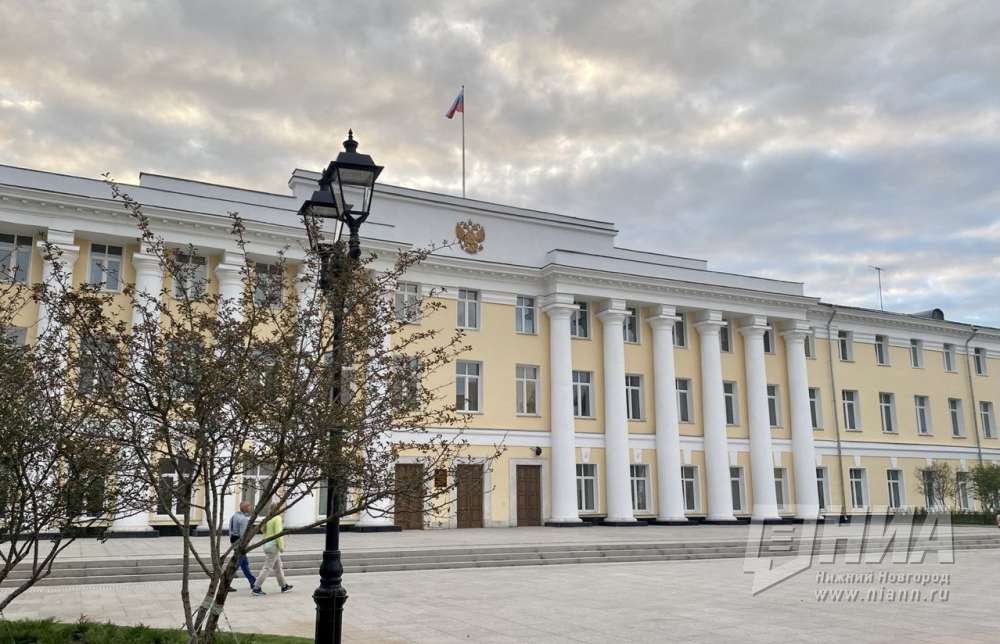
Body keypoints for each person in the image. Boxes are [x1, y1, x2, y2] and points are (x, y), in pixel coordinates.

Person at [252, 505, 293, 596]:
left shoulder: (268, 518)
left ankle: (284, 585)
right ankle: (256, 587)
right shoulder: (277, 518)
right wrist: (281, 547)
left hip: (267, 545)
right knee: (267, 567)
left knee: (278, 567)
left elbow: (264, 532)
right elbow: (278, 533)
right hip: (273, 546)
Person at [229, 501, 256, 591]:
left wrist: (233, 543)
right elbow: (243, 535)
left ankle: (253, 581)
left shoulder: (234, 516)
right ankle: (226, 582)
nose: (250, 508)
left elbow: (230, 530)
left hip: (234, 541)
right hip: (240, 544)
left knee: (244, 564)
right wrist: (244, 546)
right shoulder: (244, 519)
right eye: (249, 507)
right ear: (244, 508)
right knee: (237, 565)